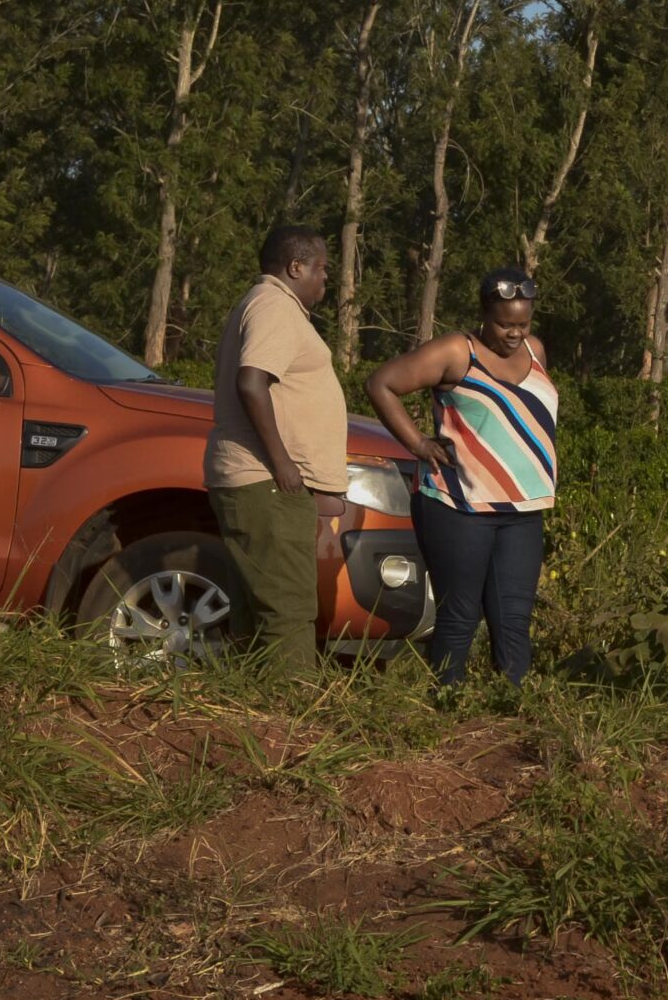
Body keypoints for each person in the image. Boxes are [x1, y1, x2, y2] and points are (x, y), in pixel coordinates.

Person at [365, 268, 557, 686]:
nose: (514, 334)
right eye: (505, 324)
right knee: (461, 612)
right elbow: (381, 383)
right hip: (459, 505)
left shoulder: (536, 350)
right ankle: (445, 706)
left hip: (523, 508)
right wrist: (418, 444)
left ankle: (510, 706)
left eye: (522, 324)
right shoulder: (457, 350)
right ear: (485, 315)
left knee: (513, 617)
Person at [204, 225, 348, 676]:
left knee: (259, 611)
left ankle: (254, 722)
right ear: (295, 267)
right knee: (288, 610)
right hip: (265, 481)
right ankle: (292, 723)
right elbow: (252, 381)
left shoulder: (268, 305)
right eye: (322, 268)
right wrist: (283, 463)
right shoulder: (274, 306)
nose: (327, 278)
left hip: (259, 482)